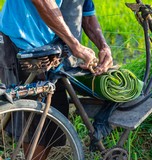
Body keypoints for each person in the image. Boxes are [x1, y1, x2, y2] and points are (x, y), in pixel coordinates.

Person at [0, 0, 113, 159]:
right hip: (23, 41)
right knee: (33, 119)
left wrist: (103, 46)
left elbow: (86, 13)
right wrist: (76, 46)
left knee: (52, 115)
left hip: (54, 49)